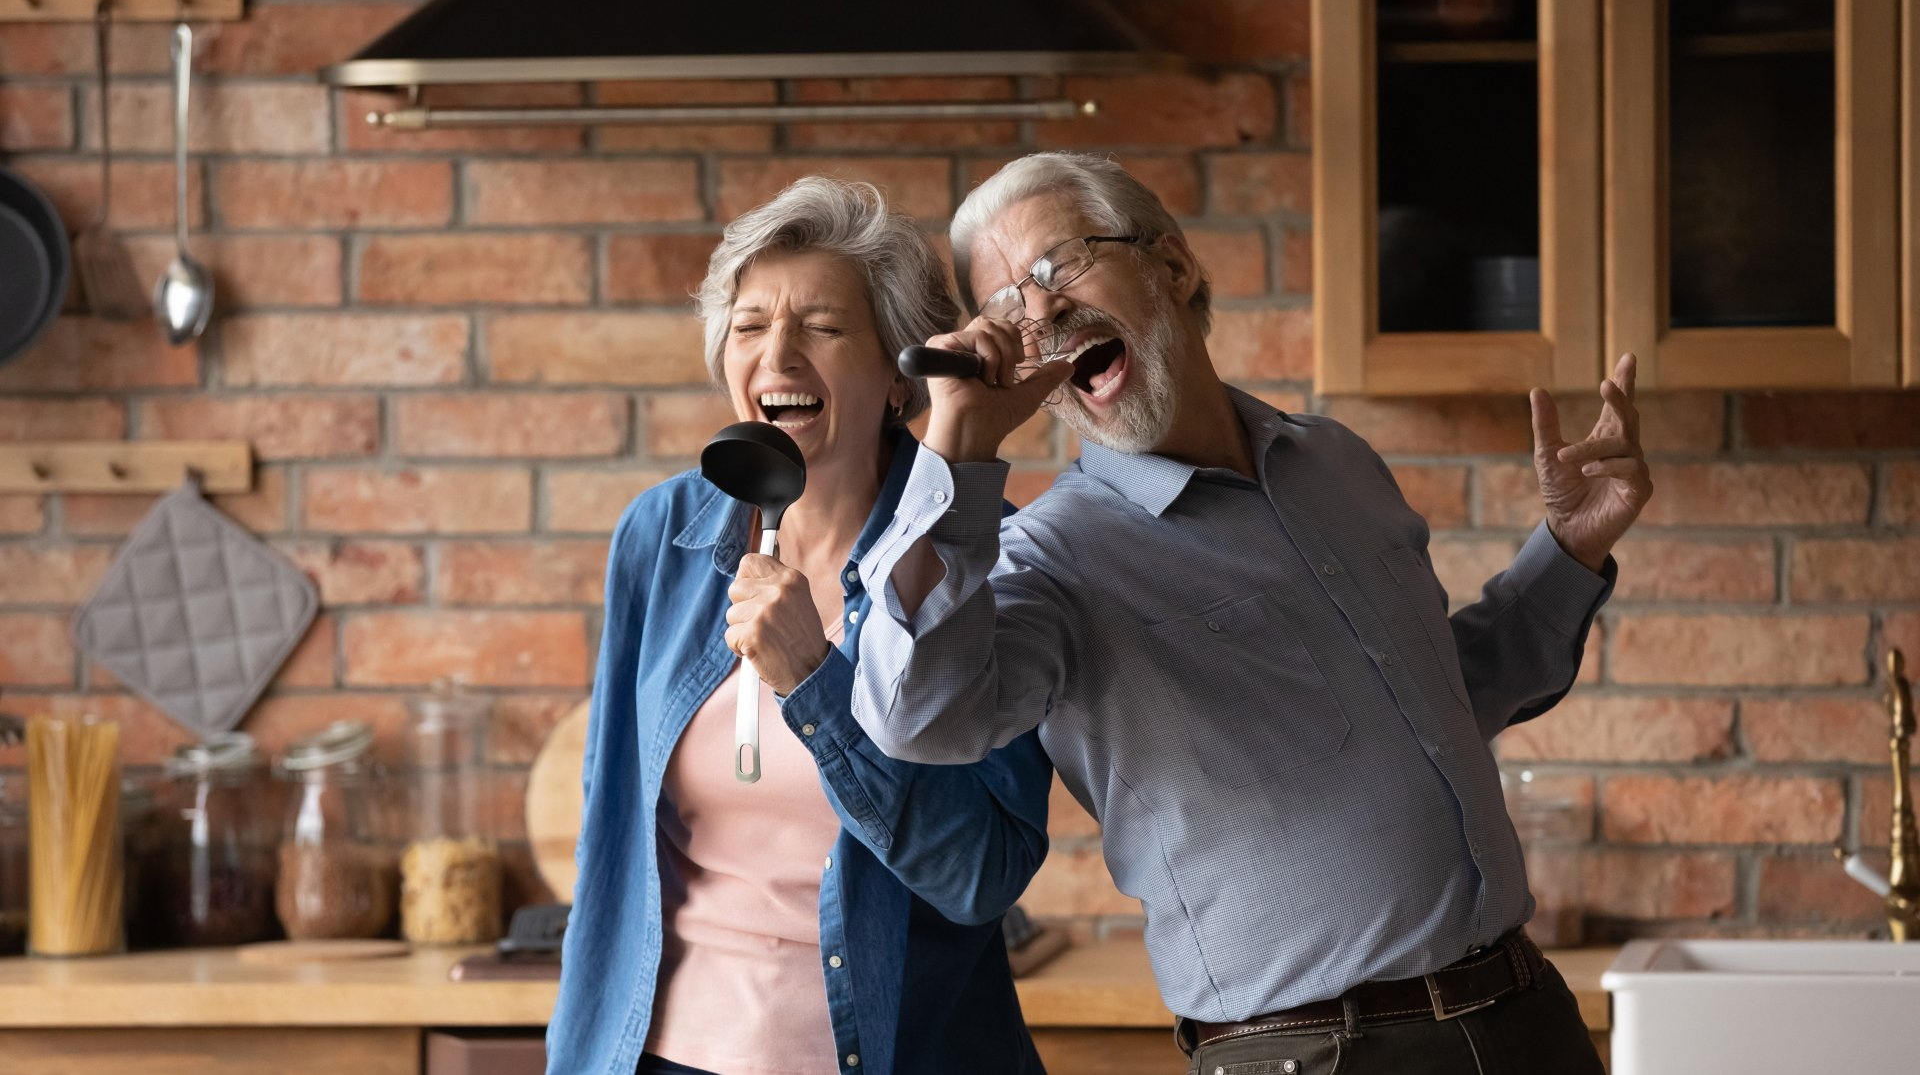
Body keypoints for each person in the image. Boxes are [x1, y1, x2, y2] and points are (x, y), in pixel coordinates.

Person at [850, 152, 1653, 1074]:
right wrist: (956, 445)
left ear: (1174, 265)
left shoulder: (1336, 463)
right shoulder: (1051, 559)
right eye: (1002, 305)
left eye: (1059, 265)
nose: (1037, 313)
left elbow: (1445, 703)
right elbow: (914, 714)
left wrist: (1570, 548)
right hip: (1313, 1055)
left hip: (1527, 1021)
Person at [547, 177, 1053, 1075]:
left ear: (899, 378)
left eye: (821, 326)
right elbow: (610, 837)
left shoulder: (987, 553)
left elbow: (980, 874)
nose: (777, 353)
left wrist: (812, 678)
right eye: (749, 326)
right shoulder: (659, 535)